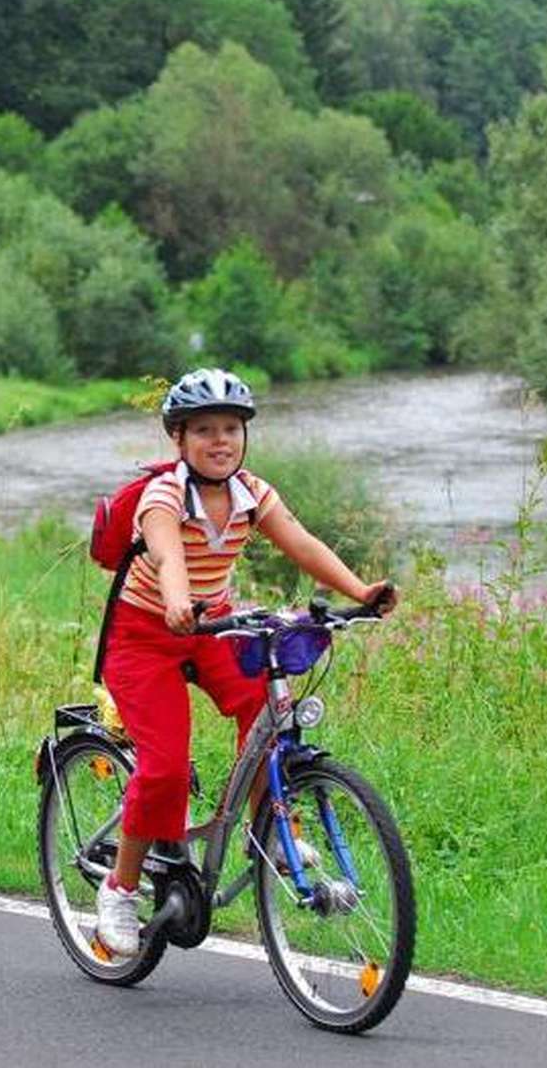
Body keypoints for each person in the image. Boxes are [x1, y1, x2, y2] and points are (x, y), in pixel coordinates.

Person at [93, 367, 396, 957]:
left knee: (268, 715)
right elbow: (167, 553)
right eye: (203, 429)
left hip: (214, 627)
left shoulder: (252, 493)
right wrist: (180, 602)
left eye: (231, 428)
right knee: (166, 769)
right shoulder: (162, 497)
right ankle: (120, 889)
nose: (220, 440)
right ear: (178, 440)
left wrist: (360, 593)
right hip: (145, 636)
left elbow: (301, 542)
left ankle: (270, 836)